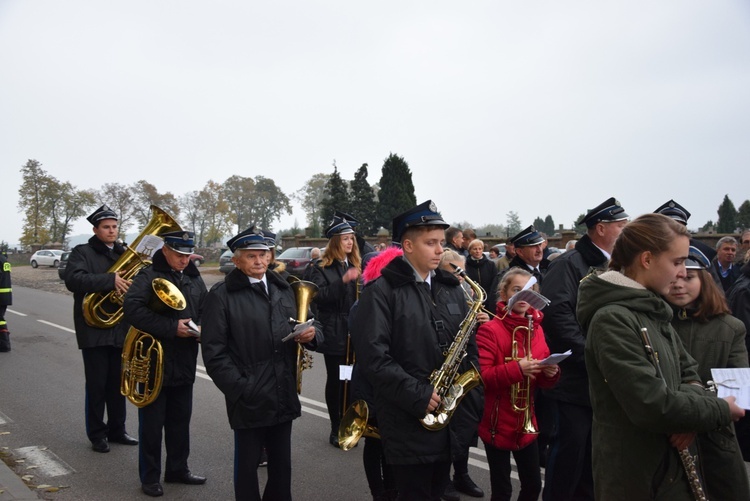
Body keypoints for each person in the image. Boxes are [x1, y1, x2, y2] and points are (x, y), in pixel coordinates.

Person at [577, 213, 745, 499]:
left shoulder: (652, 308)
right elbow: (652, 404)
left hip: (665, 468)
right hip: (637, 476)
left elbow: (688, 373)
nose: (682, 272)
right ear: (646, 260)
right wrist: (718, 409)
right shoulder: (613, 319)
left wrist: (687, 416)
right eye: (677, 262)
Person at [352, 200, 474, 500]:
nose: (439, 251)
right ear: (407, 245)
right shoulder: (380, 292)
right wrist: (418, 394)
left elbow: (468, 343)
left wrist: (469, 392)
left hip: (447, 417)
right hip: (408, 417)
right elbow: (373, 357)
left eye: (441, 243)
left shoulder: (451, 289)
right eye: (430, 243)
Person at [201, 226, 319, 501]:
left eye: (263, 254)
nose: (259, 261)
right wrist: (243, 389)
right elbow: (214, 353)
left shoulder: (283, 288)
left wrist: (313, 335)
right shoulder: (221, 295)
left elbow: (311, 320)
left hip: (282, 389)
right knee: (247, 466)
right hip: (249, 396)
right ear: (236, 260)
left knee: (281, 466)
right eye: (251, 256)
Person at [540, 197, 628, 501]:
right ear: (601, 228)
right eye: (620, 225)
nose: (625, 230)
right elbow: (557, 315)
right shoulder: (569, 264)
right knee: (570, 451)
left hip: (602, 378)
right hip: (576, 379)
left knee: (595, 454)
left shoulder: (617, 265)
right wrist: (592, 352)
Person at [122, 230, 206, 497]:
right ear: (166, 250)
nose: (184, 260)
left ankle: (177, 470)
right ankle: (150, 477)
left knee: (180, 420)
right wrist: (172, 327)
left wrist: (205, 327)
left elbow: (206, 306)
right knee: (151, 424)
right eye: (179, 255)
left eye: (187, 255)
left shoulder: (193, 276)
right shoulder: (148, 275)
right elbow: (132, 309)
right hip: (153, 362)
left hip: (184, 359)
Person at [664, 246, 750, 500]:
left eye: (689, 278)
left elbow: (738, 395)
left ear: (704, 280)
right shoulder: (656, 324)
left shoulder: (730, 328)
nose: (679, 285)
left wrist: (692, 422)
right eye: (674, 278)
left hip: (716, 441)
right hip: (665, 439)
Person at [477, 268, 560, 501]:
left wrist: (550, 372)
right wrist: (517, 369)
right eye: (516, 290)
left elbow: (543, 378)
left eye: (529, 290)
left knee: (533, 486)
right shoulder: (489, 329)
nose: (523, 296)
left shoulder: (538, 329)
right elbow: (483, 378)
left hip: (526, 420)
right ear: (503, 294)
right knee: (502, 491)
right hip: (496, 420)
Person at [64, 204, 137, 453]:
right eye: (106, 227)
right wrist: (110, 280)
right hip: (94, 329)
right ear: (95, 230)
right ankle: (97, 434)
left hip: (119, 327)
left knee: (119, 384)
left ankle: (118, 430)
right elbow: (73, 280)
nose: (111, 231)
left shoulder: (123, 253)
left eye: (114, 226)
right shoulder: (81, 252)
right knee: (96, 385)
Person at [438, 250, 487, 501]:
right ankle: (443, 478)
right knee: (446, 426)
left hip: (466, 365)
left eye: (462, 270)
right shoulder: (433, 290)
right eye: (456, 270)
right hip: (445, 366)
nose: (462, 275)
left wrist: (483, 320)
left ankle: (462, 474)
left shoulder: (464, 292)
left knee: (466, 426)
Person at [310, 213, 362, 447]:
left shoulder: (355, 265)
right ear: (334, 242)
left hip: (355, 332)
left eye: (351, 238)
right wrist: (342, 281)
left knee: (353, 381)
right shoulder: (321, 267)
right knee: (338, 380)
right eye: (345, 239)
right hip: (335, 332)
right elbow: (318, 298)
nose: (350, 243)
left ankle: (351, 423)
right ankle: (336, 426)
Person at [465, 238, 498, 313]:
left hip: (488, 300)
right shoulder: (466, 265)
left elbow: (495, 282)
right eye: (475, 249)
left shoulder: (491, 265)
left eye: (480, 249)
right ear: (470, 251)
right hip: (472, 301)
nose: (478, 251)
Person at [0, 252, 11, 352]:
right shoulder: (4, 260)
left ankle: (4, 344)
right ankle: (3, 343)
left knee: (0, 320)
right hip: (5, 295)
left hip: (1, 294)